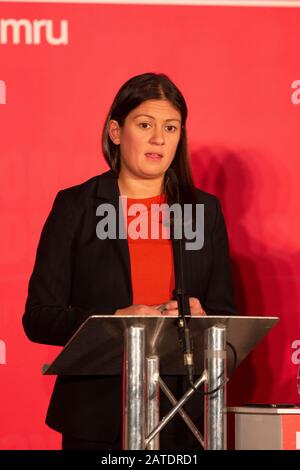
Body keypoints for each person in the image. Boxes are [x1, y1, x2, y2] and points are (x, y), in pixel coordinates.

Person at [22, 72, 236, 450]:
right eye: (145, 124)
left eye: (171, 127)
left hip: (184, 412)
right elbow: (39, 317)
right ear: (116, 132)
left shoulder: (205, 211)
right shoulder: (76, 206)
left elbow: (224, 315)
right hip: (97, 414)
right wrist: (114, 320)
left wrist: (204, 318)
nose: (159, 138)